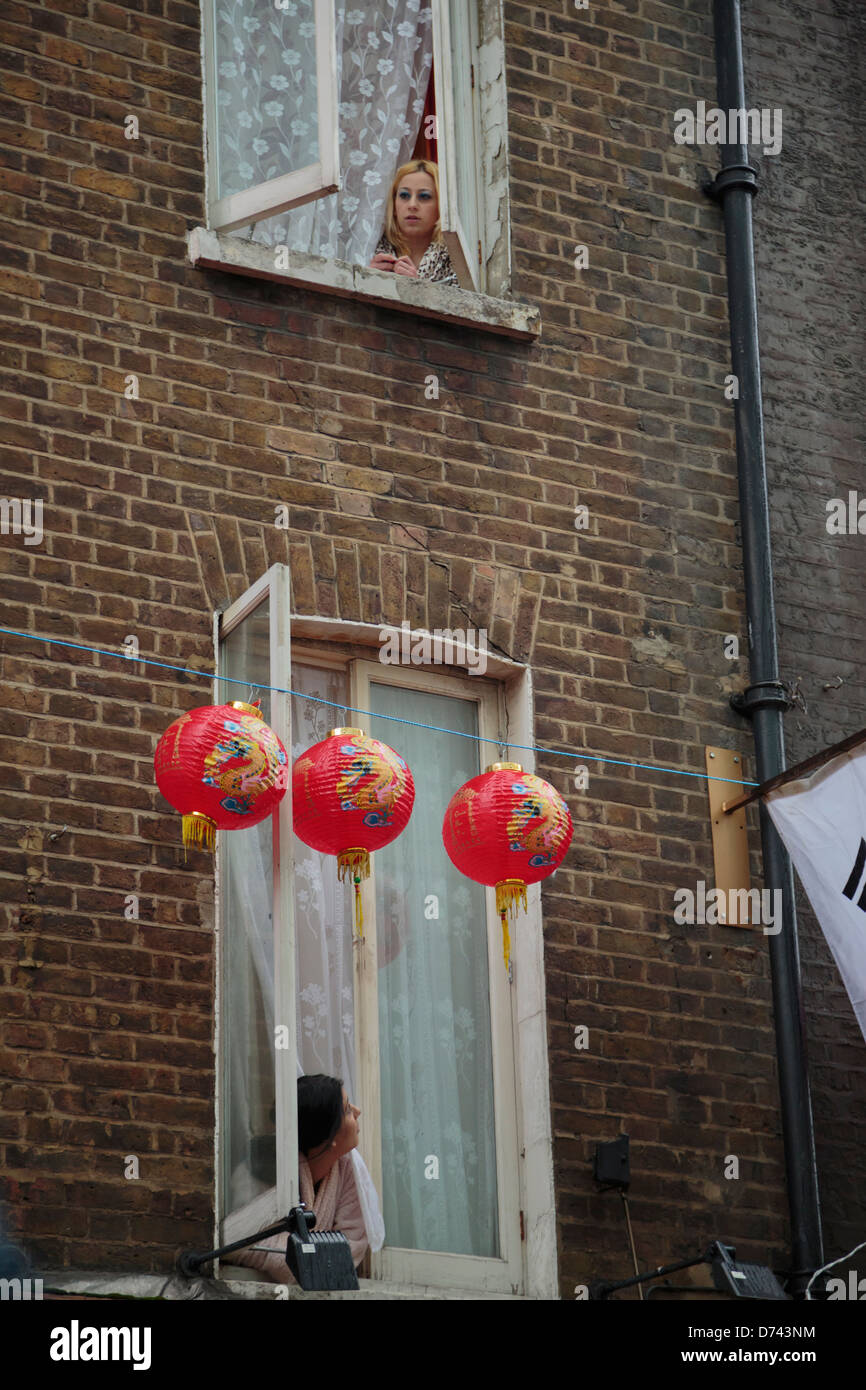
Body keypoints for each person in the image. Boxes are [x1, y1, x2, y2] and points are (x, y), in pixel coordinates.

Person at [221, 1075, 372, 1286]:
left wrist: (304, 1259)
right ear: (329, 1137)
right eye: (347, 1110)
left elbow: (350, 1247)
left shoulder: (347, 1167)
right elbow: (234, 1241)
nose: (358, 1111)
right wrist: (304, 1263)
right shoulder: (256, 1171)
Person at [369, 159, 459, 287]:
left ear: (441, 206)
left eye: (424, 196)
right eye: (404, 195)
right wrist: (366, 280)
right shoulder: (369, 248)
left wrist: (417, 289)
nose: (412, 205)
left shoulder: (456, 259)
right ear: (394, 206)